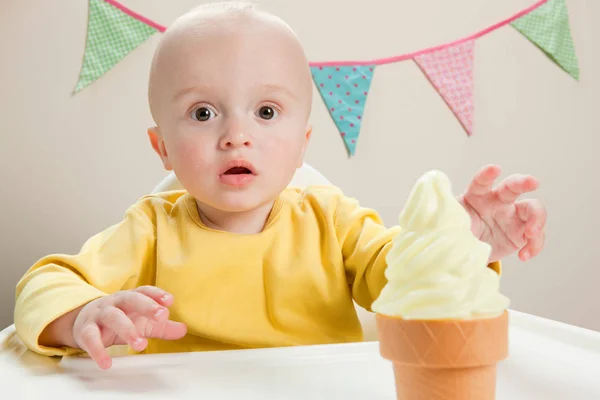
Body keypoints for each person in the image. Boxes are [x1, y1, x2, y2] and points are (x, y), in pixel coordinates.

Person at [13, 1, 547, 370]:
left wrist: (460, 239)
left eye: (266, 111)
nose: (236, 136)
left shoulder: (330, 220)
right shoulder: (152, 228)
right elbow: (47, 282)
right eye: (203, 112)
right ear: (164, 150)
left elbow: (402, 277)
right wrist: (80, 315)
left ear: (302, 144)